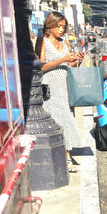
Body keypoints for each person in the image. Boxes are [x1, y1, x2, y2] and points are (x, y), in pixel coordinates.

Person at [38, 11, 85, 173]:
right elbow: (42, 66)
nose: (60, 30)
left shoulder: (64, 42)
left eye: (63, 27)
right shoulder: (42, 41)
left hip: (65, 86)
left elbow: (67, 67)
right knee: (60, 121)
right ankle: (66, 157)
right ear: (49, 26)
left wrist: (77, 60)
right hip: (51, 87)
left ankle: (64, 155)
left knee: (66, 119)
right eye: (58, 26)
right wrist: (64, 59)